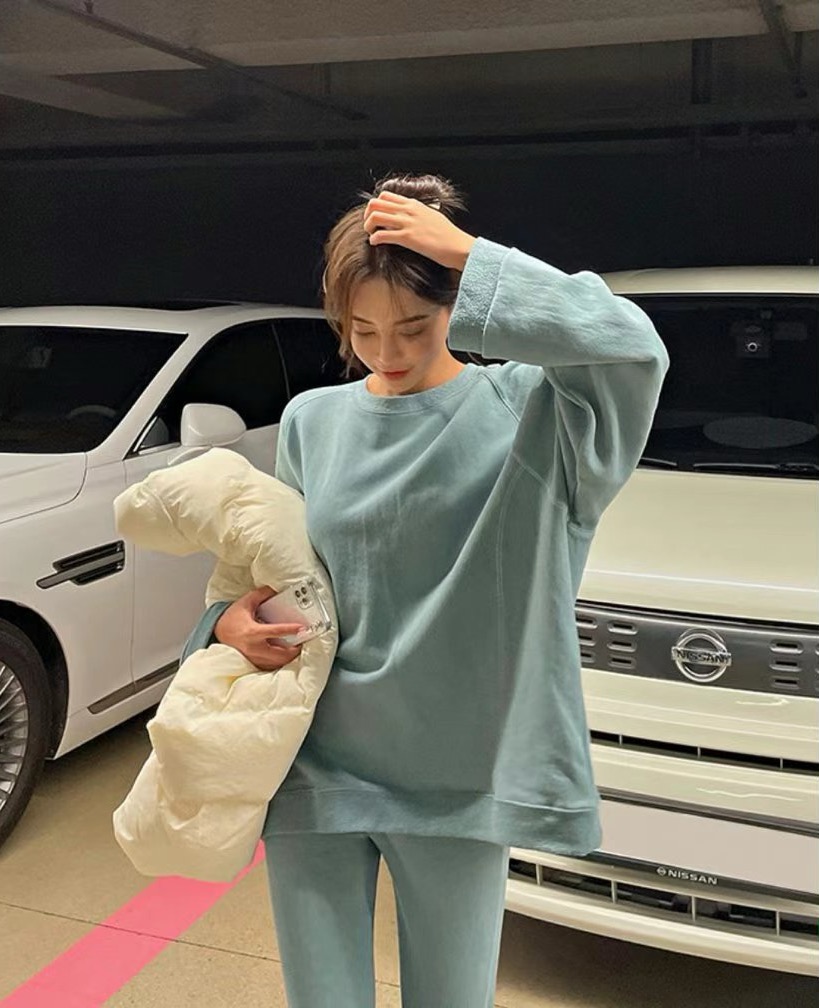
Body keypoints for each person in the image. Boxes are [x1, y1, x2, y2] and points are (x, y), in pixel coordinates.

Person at [195, 173, 669, 1007]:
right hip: (312, 759)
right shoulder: (312, 420)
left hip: (458, 773)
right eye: (362, 330)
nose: (388, 351)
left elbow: (633, 348)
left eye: (414, 325)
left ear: (461, 303)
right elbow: (275, 575)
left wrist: (472, 255)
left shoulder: (535, 414)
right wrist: (228, 624)